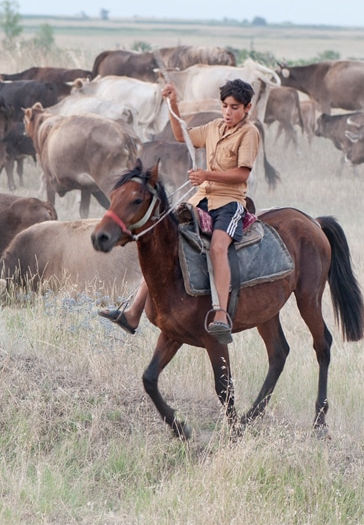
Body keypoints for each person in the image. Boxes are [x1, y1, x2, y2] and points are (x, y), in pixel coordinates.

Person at [99, 77, 260, 345]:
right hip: (201, 198)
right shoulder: (214, 127)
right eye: (224, 106)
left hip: (229, 202)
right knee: (166, 241)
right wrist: (172, 102)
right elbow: (180, 134)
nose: (228, 112)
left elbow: (242, 175)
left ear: (247, 108)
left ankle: (220, 313)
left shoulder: (249, 133)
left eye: (234, 107)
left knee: (219, 246)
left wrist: (207, 174)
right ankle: (133, 311)